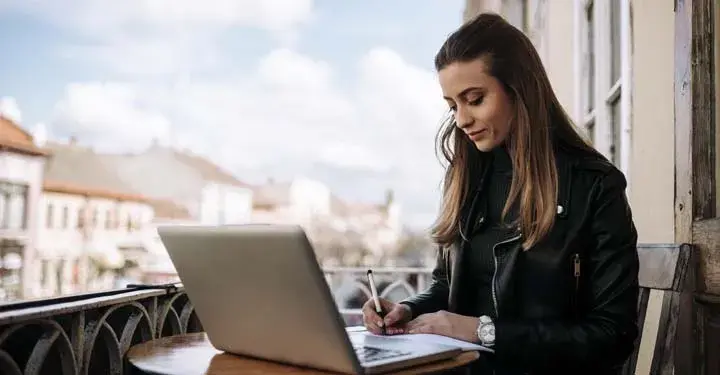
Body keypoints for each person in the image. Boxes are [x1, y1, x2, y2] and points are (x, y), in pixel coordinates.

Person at [361, 12, 639, 375]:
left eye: (474, 99)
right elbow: (448, 284)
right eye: (452, 105)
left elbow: (610, 335)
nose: (461, 119)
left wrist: (482, 331)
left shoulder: (594, 185)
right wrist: (407, 310)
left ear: (519, 90)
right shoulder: (466, 178)